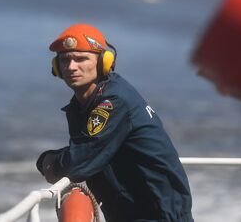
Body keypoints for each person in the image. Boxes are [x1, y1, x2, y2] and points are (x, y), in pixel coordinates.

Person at [36, 24, 194, 222]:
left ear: (104, 62)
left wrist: (47, 160)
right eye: (65, 60)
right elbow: (89, 149)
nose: (71, 67)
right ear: (56, 67)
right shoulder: (86, 102)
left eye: (81, 58)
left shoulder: (113, 102)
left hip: (157, 216)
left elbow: (79, 163)